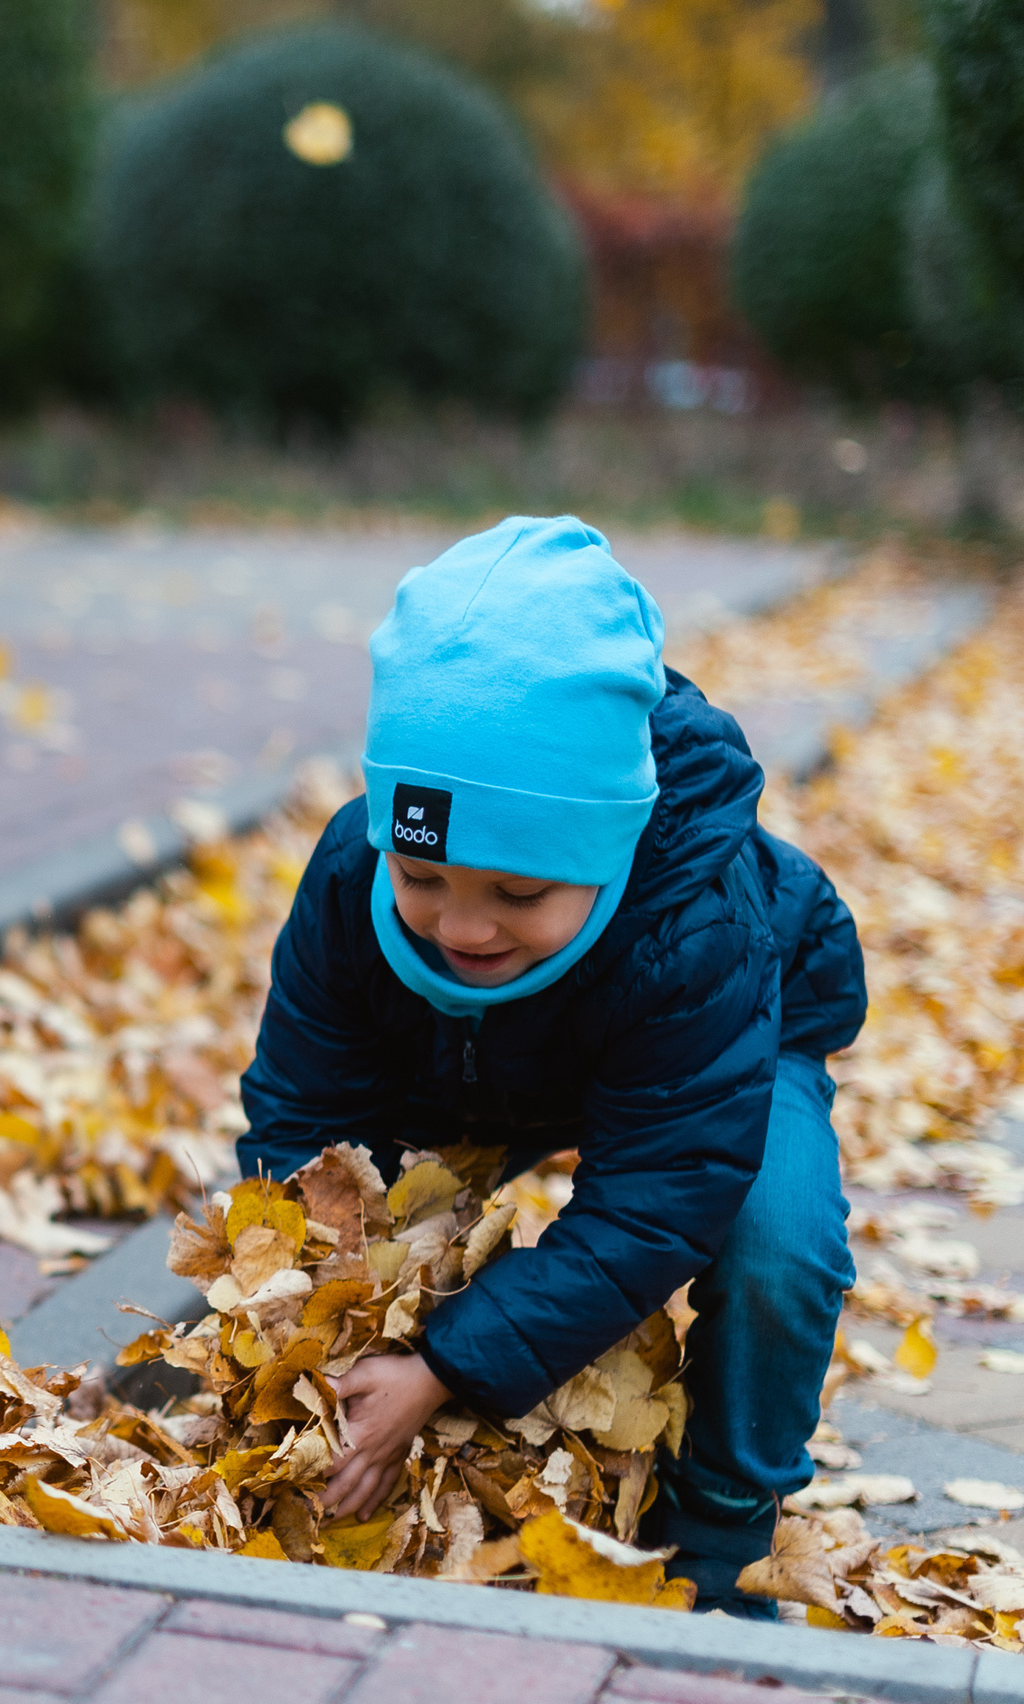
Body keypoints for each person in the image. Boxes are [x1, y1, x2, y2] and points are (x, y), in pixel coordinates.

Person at [237, 515, 866, 1616]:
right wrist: (321, 1311)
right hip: (464, 1068)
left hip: (707, 1055)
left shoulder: (697, 926)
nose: (461, 927)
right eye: (422, 875)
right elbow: (303, 1108)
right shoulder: (351, 877)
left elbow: (655, 1200)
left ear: (609, 844)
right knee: (327, 1228)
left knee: (777, 1247)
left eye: (517, 893)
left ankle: (718, 1543)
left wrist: (441, 1371)